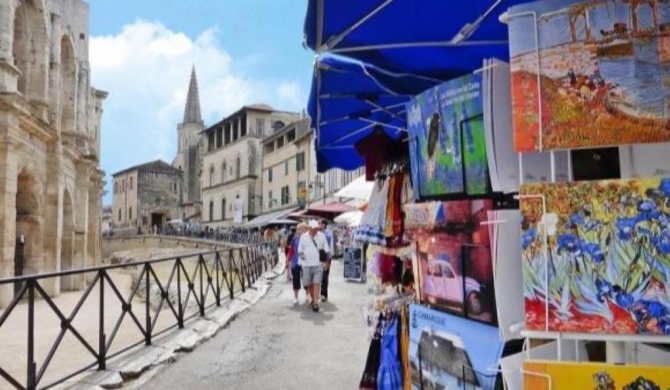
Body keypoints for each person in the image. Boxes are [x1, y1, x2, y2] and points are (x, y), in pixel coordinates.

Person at [298, 220, 330, 312]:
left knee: (316, 283)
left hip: (318, 264)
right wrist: (301, 255)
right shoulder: (303, 237)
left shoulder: (322, 236)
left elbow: (327, 250)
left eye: (316, 229)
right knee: (309, 284)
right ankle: (312, 299)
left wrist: (327, 263)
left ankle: (315, 303)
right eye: (313, 229)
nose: (315, 230)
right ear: (309, 229)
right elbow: (300, 249)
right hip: (306, 265)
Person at [287, 224, 305, 304]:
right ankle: (295, 297)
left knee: (306, 278)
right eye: (299, 229)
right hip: (295, 261)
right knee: (296, 279)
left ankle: (308, 295)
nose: (300, 231)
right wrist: (288, 259)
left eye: (303, 229)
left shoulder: (308, 238)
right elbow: (291, 250)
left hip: (305, 261)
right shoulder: (295, 238)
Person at [319, 220, 333, 302]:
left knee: (324, 276)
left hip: (326, 258)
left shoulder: (328, 235)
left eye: (320, 223)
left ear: (324, 225)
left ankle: (324, 294)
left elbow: (330, 249)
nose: (318, 224)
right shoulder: (315, 234)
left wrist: (329, 260)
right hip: (317, 258)